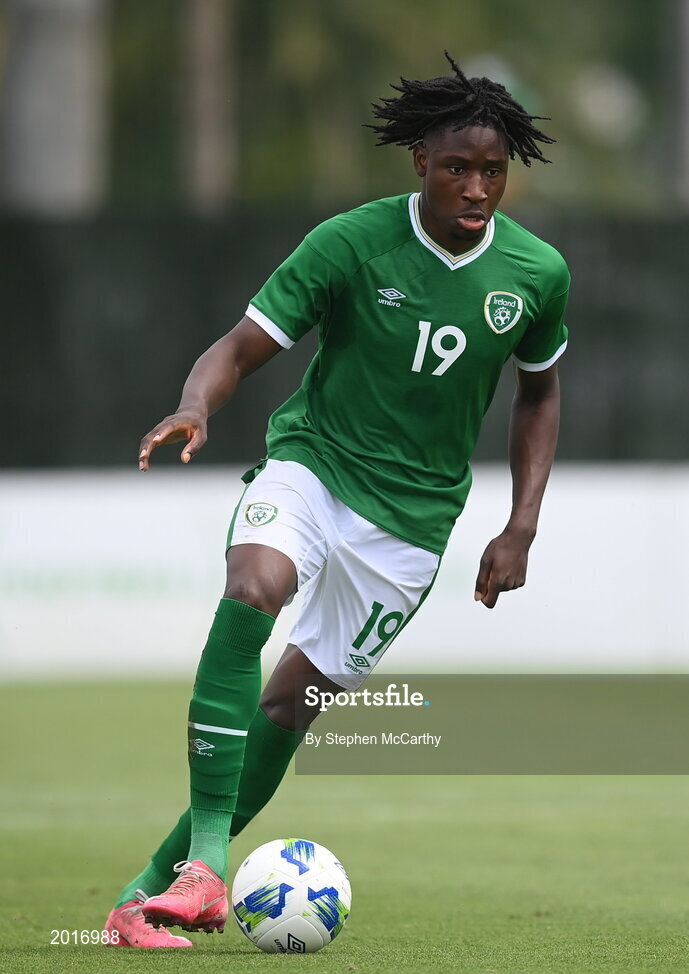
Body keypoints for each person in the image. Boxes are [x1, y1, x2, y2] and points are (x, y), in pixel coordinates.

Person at [104, 53, 569, 948]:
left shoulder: (537, 271)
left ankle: (140, 897)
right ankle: (205, 862)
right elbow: (242, 344)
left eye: (492, 172)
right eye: (456, 168)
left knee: (286, 709)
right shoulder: (351, 241)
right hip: (314, 466)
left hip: (411, 525)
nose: (475, 187)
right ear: (418, 164)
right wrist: (194, 406)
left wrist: (519, 526)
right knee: (251, 588)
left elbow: (541, 393)